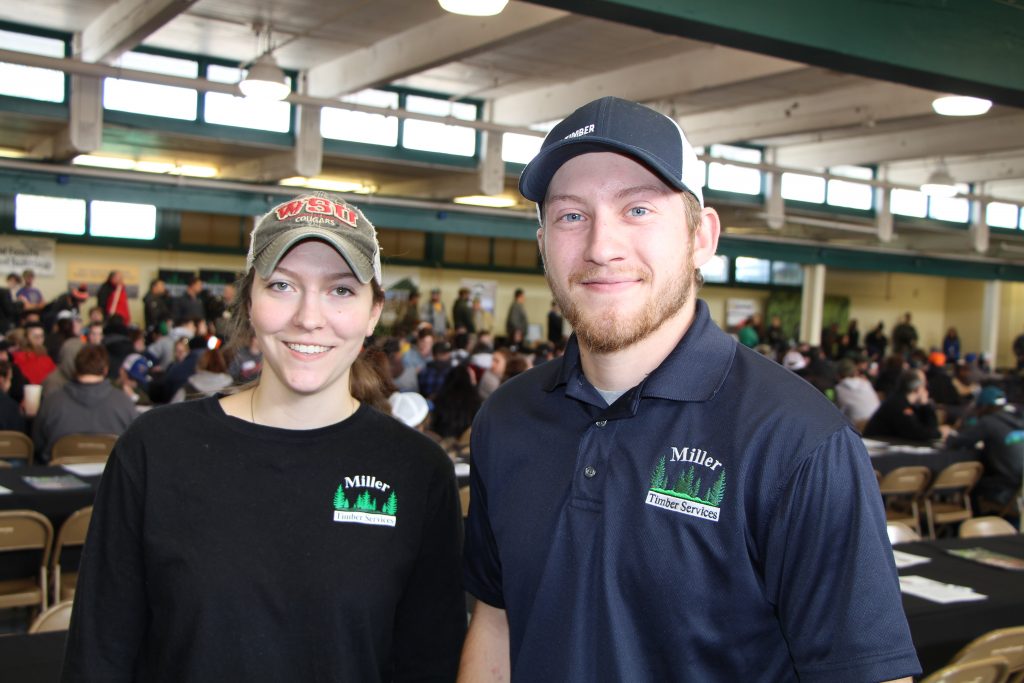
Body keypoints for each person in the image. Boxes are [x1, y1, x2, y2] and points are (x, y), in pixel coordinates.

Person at [459, 97, 918, 682]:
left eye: (639, 210)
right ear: (544, 242)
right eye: (571, 216)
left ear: (702, 237)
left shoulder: (798, 442)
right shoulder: (506, 419)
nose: (602, 247)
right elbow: (497, 624)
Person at [63, 191, 465, 681]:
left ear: (374, 311)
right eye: (282, 286)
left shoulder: (418, 471)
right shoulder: (156, 450)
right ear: (249, 300)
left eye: (341, 290)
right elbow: (99, 655)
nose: (309, 317)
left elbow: (431, 662)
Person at [32, 344, 137, 463]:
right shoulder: (124, 402)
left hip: (59, 473)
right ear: (106, 369)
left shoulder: (52, 402)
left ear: (76, 368)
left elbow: (38, 444)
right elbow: (133, 446)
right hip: (109, 477)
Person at [947, 386, 1023, 510]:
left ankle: (969, 523)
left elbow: (958, 442)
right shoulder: (1019, 419)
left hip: (1007, 486)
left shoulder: (988, 421)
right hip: (1019, 486)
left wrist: (950, 434)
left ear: (983, 407)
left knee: (971, 483)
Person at [864, 369, 947, 442]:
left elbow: (929, 428)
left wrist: (925, 406)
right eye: (924, 386)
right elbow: (915, 433)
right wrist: (939, 433)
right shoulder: (898, 404)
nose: (926, 390)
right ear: (917, 388)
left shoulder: (907, 403)